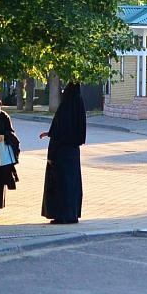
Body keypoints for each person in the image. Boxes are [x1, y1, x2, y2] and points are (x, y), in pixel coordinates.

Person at [40, 82, 86, 224]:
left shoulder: (65, 107)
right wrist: (50, 133)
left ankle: (61, 215)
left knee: (61, 183)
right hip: (72, 152)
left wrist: (52, 137)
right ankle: (72, 214)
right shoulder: (79, 105)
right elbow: (74, 129)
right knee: (72, 184)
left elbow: (60, 130)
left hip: (60, 152)